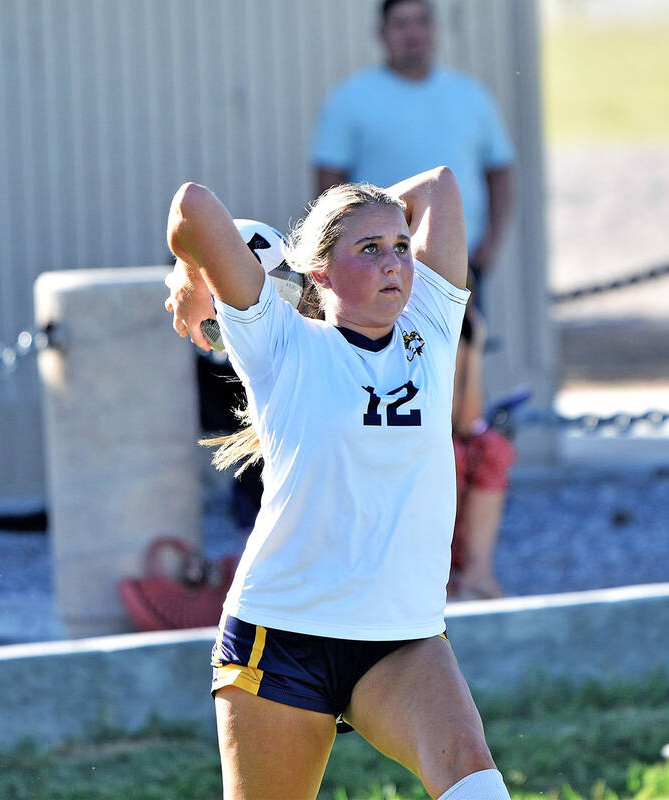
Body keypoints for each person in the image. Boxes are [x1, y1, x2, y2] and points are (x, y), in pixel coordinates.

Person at [164, 166, 511, 800]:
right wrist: (195, 276)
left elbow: (438, 186)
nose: (395, 265)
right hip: (282, 636)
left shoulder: (429, 326)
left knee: (474, 777)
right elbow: (192, 206)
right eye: (370, 250)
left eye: (402, 248)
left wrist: (369, 212)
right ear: (317, 273)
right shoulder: (279, 339)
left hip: (400, 642)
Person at [311, 0, 515, 310]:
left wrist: (492, 241)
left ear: (434, 29)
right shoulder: (351, 98)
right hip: (380, 267)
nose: (413, 33)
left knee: (462, 357)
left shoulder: (470, 95)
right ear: (382, 33)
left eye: (421, 22)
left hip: (461, 264)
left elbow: (499, 171)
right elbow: (329, 181)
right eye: (401, 24)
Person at [449, 308, 516, 600]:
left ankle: (477, 573)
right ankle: (441, 575)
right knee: (450, 455)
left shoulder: (459, 337)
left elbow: (467, 422)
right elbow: (438, 419)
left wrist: (472, 351)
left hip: (445, 445)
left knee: (492, 448)